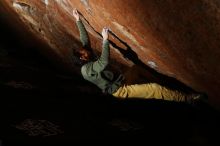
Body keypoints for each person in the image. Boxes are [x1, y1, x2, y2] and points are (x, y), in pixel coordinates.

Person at [72, 9, 206, 105]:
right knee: (154, 88)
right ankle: (187, 99)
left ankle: (166, 87)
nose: (84, 50)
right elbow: (103, 62)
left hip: (121, 80)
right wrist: (105, 40)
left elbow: (85, 42)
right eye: (83, 53)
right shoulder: (86, 70)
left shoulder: (85, 56)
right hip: (120, 90)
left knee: (136, 68)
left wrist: (78, 20)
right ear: (83, 59)